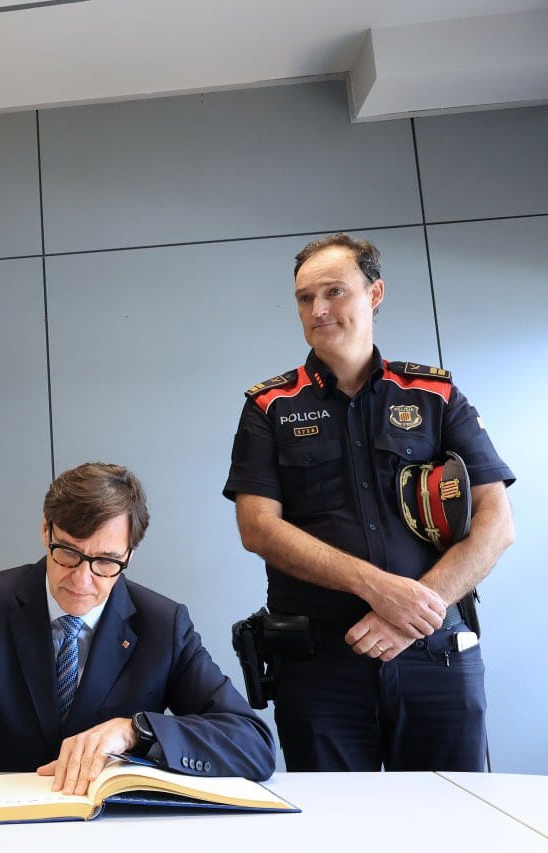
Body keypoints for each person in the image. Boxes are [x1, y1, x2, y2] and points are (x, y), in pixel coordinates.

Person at [223, 233, 516, 771]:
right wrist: (375, 586)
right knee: (335, 833)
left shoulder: (434, 395)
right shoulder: (269, 406)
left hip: (433, 652)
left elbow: (496, 524)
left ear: (374, 293)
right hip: (321, 665)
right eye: (305, 298)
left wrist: (410, 612)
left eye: (335, 291)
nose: (319, 309)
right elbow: (257, 528)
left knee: (451, 823)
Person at [0, 462, 274, 804]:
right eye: (69, 553)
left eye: (106, 561)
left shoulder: (163, 623)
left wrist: (134, 730)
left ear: (129, 555)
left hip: (115, 829)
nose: (82, 578)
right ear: (45, 530)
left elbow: (252, 743)